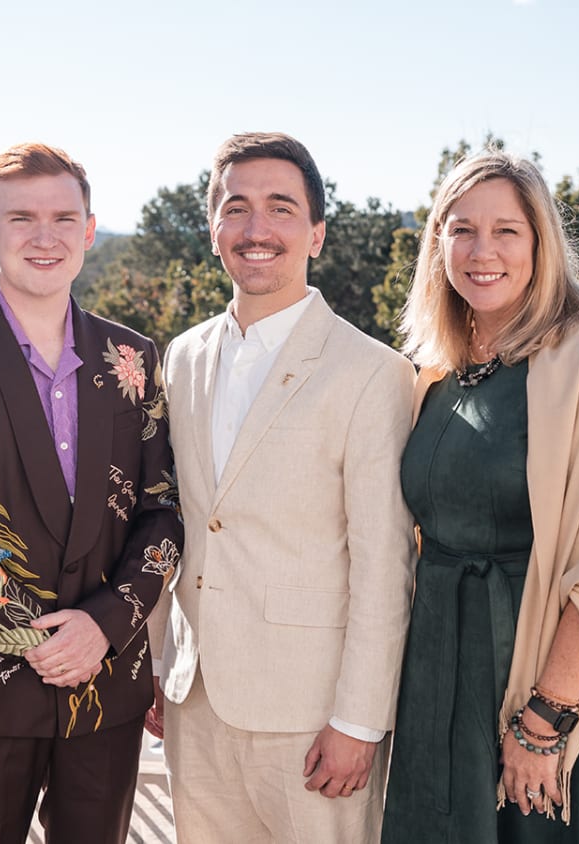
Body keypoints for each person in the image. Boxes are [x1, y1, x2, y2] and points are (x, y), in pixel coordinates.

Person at [0, 143, 182, 844]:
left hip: (105, 682)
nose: (44, 237)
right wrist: (35, 637)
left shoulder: (132, 358)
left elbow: (163, 512)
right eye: (22, 218)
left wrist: (102, 627)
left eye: (62, 217)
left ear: (89, 230)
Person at [380, 149, 579, 842]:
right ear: (438, 244)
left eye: (507, 231)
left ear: (540, 244)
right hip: (440, 678)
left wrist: (546, 719)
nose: (483, 251)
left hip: (547, 682)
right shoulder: (436, 374)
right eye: (461, 229)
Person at [149, 132, 416, 843]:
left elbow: (385, 564)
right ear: (213, 230)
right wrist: (156, 660)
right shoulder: (181, 357)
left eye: (280, 208)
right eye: (236, 208)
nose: (256, 229)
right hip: (193, 700)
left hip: (312, 716)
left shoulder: (372, 373)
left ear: (317, 233)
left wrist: (358, 720)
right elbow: (172, 522)